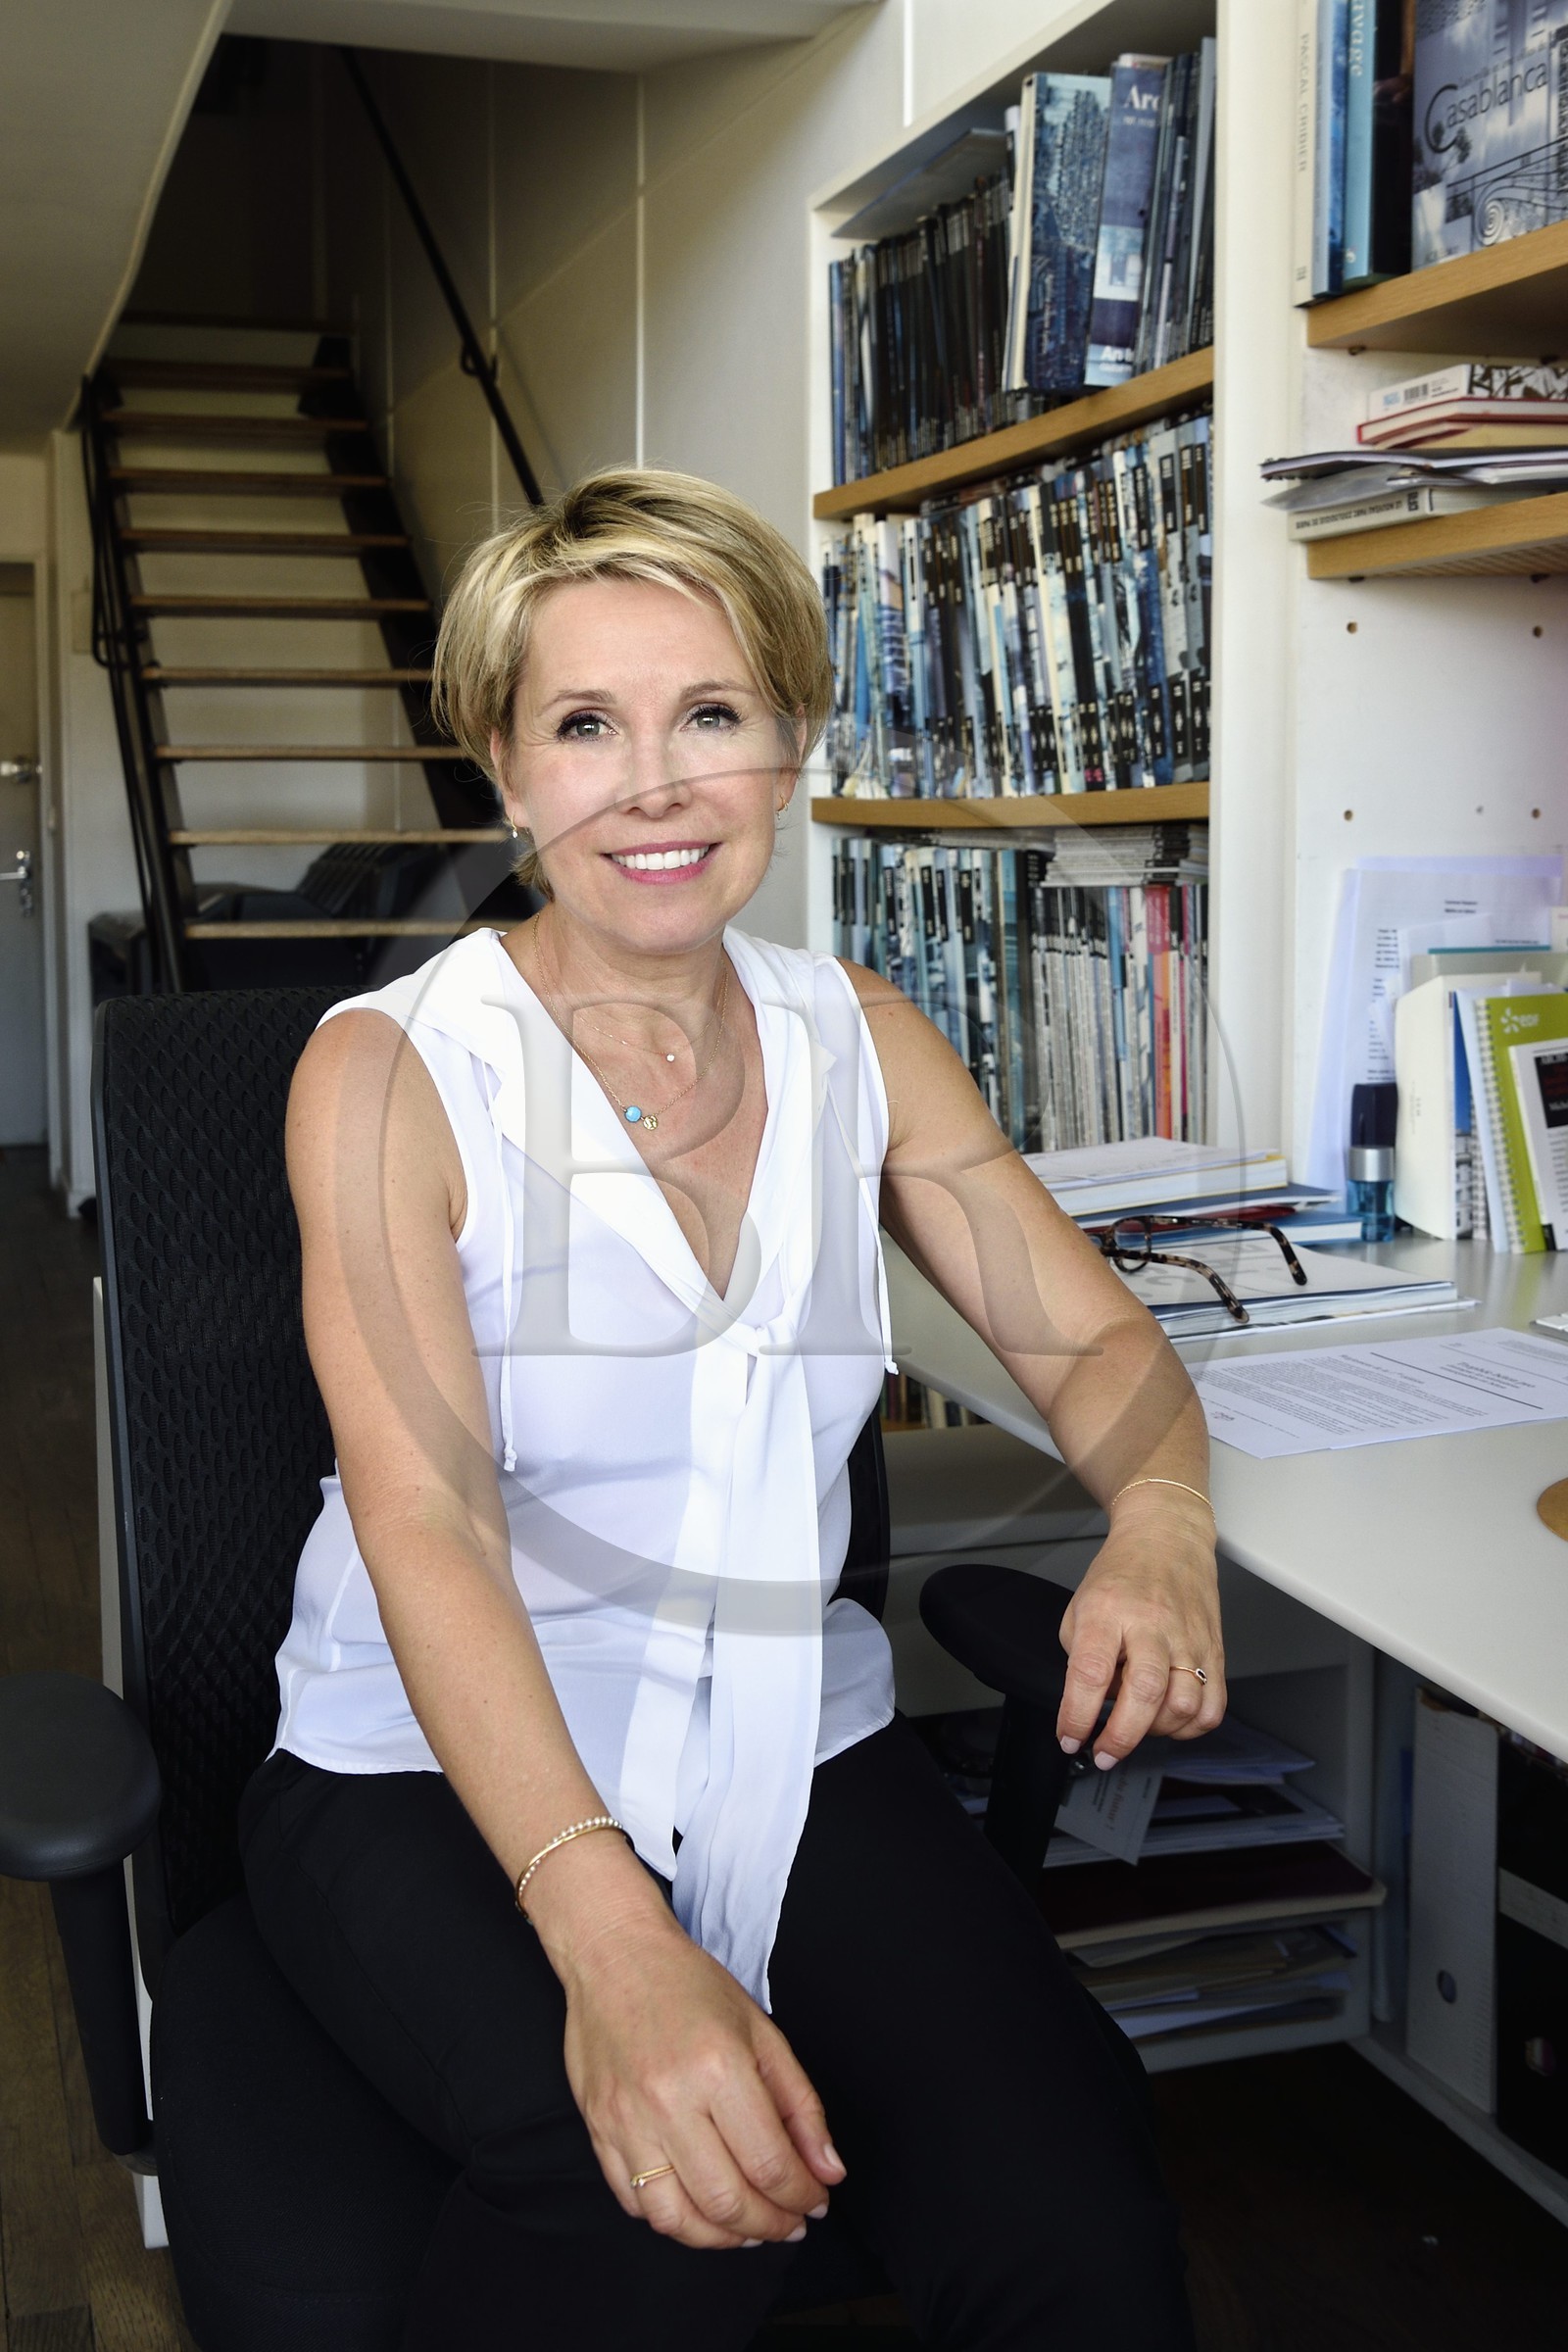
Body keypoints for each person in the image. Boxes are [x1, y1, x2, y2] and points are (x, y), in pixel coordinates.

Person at [239, 468, 1224, 2350]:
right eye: (584, 726)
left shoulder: (864, 1038)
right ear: (507, 772)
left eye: (709, 714)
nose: (654, 785)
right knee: (643, 2201)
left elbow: (1102, 1349)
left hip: (789, 1734)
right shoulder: (389, 1075)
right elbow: (425, 1520)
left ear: (787, 746)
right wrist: (611, 1937)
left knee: (1074, 2200)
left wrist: (1163, 1525)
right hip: (422, 1762)